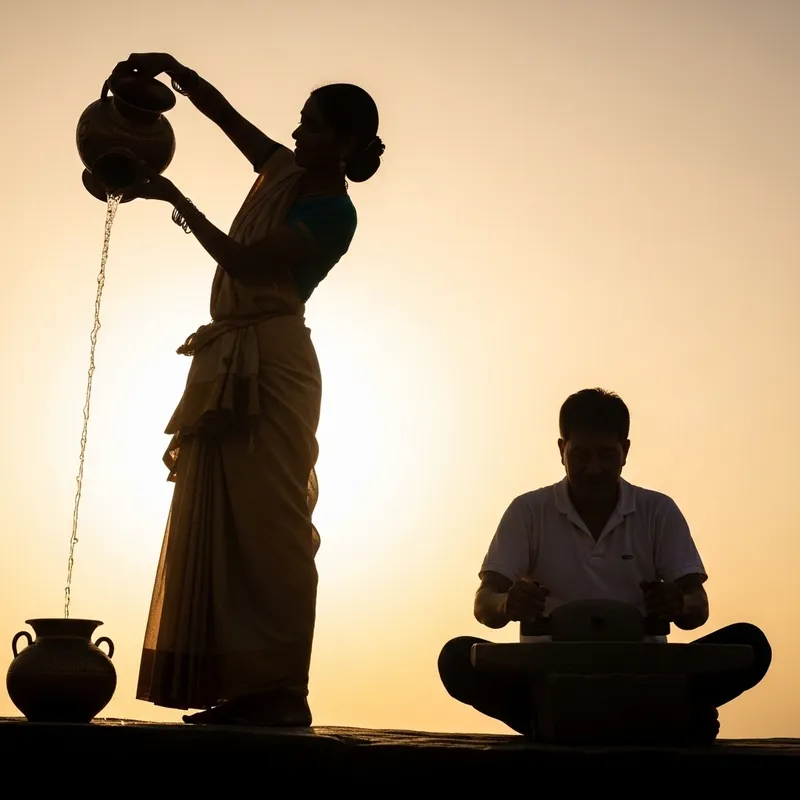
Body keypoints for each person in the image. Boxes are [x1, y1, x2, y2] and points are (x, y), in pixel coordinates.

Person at [116, 52, 386, 726]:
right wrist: (174, 70)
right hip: (230, 356)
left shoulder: (334, 214)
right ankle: (238, 689)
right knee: (224, 522)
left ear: (345, 145)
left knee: (272, 529)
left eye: (312, 129)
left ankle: (281, 689)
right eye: (299, 125)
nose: (297, 137)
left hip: (275, 364)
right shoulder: (284, 169)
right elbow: (225, 117)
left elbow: (241, 261)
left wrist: (173, 197)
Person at [438, 388, 771, 741]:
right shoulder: (529, 511)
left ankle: (562, 722)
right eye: (580, 455)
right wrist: (507, 603)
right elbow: (485, 601)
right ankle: (661, 717)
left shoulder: (657, 511)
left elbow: (697, 607)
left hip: (646, 672)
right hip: (548, 674)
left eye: (606, 455)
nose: (593, 468)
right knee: (457, 657)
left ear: (625, 451)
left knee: (752, 644)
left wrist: (678, 602)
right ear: (561, 450)